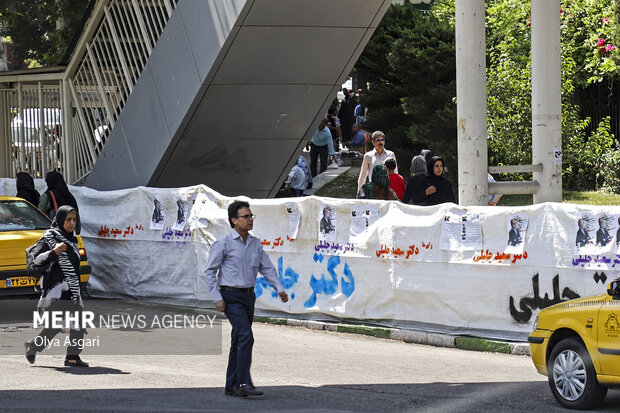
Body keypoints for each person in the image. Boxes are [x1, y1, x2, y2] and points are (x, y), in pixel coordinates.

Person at [204, 201, 288, 397]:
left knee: (239, 339)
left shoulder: (255, 243)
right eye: (246, 217)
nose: (250, 220)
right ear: (234, 220)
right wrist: (217, 297)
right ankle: (243, 382)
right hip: (230, 296)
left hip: (249, 297)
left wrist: (279, 288)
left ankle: (231, 385)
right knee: (246, 336)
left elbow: (266, 267)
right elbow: (209, 271)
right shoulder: (223, 243)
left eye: (251, 216)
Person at [25, 205, 89, 368]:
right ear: (61, 220)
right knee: (55, 326)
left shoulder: (73, 238)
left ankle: (72, 357)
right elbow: (36, 260)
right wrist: (55, 251)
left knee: (79, 323)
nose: (71, 223)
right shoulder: (50, 237)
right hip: (56, 290)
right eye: (68, 219)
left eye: (74, 219)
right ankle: (33, 346)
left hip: (72, 289)